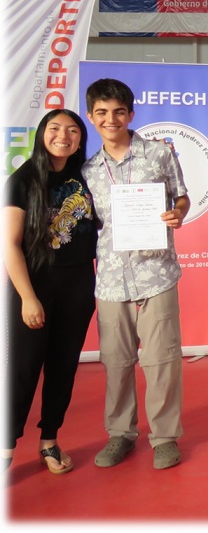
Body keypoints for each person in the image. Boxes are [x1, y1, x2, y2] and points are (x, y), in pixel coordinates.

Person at [82, 78, 190, 470]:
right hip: (111, 280)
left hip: (156, 273)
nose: (110, 119)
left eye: (118, 112)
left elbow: (182, 196)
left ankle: (164, 438)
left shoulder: (159, 154)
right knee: (115, 361)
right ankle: (120, 434)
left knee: (162, 360)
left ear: (130, 114)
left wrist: (178, 213)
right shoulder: (88, 170)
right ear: (91, 116)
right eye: (101, 113)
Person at [2, 110, 97, 474]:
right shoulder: (22, 179)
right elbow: (10, 245)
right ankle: (5, 446)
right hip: (35, 284)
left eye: (72, 130)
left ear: (80, 138)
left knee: (63, 366)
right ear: (42, 133)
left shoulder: (87, 177)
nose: (63, 136)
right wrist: (27, 297)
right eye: (55, 128)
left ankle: (49, 440)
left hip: (79, 283)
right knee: (23, 368)